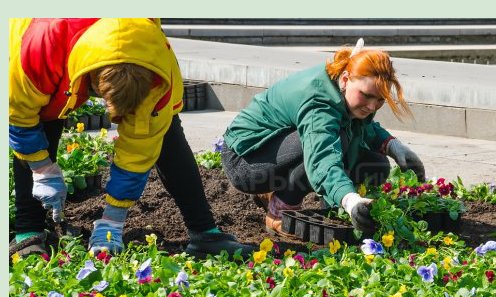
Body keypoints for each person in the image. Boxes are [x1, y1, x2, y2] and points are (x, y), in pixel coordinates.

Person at [9, 18, 254, 259]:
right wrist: (42, 170)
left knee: (165, 132)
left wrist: (112, 220)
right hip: (47, 56)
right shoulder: (39, 45)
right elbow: (18, 115)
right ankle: (28, 232)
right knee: (43, 118)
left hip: (120, 61)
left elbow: (138, 149)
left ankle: (204, 233)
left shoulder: (157, 70)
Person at [221, 39, 425, 236]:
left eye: (380, 99)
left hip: (276, 150)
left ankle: (277, 192)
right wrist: (349, 199)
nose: (372, 106)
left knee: (376, 164)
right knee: (332, 144)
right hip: (245, 160)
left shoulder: (345, 90)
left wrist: (394, 147)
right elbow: (322, 158)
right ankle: (279, 211)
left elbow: (363, 127)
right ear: (345, 79)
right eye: (366, 95)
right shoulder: (319, 102)